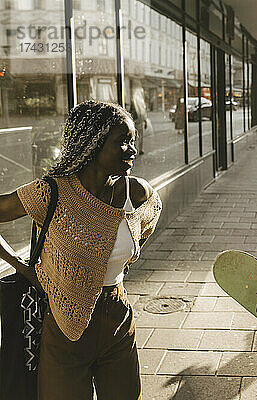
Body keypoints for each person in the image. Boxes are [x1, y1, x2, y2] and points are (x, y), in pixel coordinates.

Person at [0, 100, 162, 399]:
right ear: (93, 144)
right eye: (122, 141)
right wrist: (19, 264)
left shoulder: (135, 191)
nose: (131, 149)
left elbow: (152, 213)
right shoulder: (51, 193)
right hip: (64, 327)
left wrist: (121, 259)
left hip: (117, 318)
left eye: (132, 141)